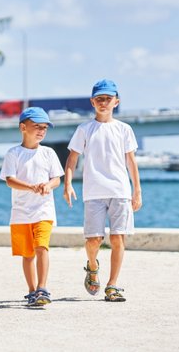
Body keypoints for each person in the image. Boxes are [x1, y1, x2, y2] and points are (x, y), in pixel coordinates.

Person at [63, 79, 143, 302]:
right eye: (99, 99)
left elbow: (131, 162)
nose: (104, 102)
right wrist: (68, 184)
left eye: (108, 99)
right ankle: (92, 266)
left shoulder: (124, 129)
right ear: (92, 102)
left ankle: (112, 285)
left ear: (116, 101)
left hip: (120, 191)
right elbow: (72, 159)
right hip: (93, 192)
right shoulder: (84, 129)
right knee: (94, 240)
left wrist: (137, 191)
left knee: (118, 238)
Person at [0, 106, 64, 306]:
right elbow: (9, 180)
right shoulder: (14, 153)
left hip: (43, 210)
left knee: (42, 247)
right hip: (20, 212)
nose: (41, 131)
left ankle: (42, 288)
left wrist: (47, 185)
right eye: (36, 126)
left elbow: (56, 179)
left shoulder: (49, 153)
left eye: (44, 127)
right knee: (27, 254)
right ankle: (31, 290)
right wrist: (31, 187)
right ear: (23, 127)